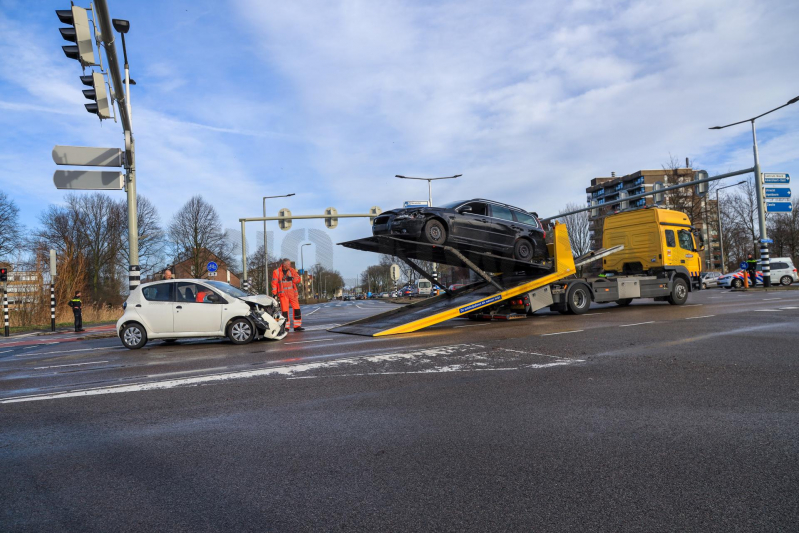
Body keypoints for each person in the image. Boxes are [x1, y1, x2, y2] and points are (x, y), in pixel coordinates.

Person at [271, 259, 304, 332]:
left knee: (297, 309)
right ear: (284, 264)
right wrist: (274, 293)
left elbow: (298, 279)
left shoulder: (292, 270)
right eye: (289, 264)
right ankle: (286, 327)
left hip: (293, 294)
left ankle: (297, 326)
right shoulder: (276, 272)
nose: (290, 265)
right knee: (285, 311)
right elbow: (274, 283)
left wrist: (292, 278)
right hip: (283, 294)